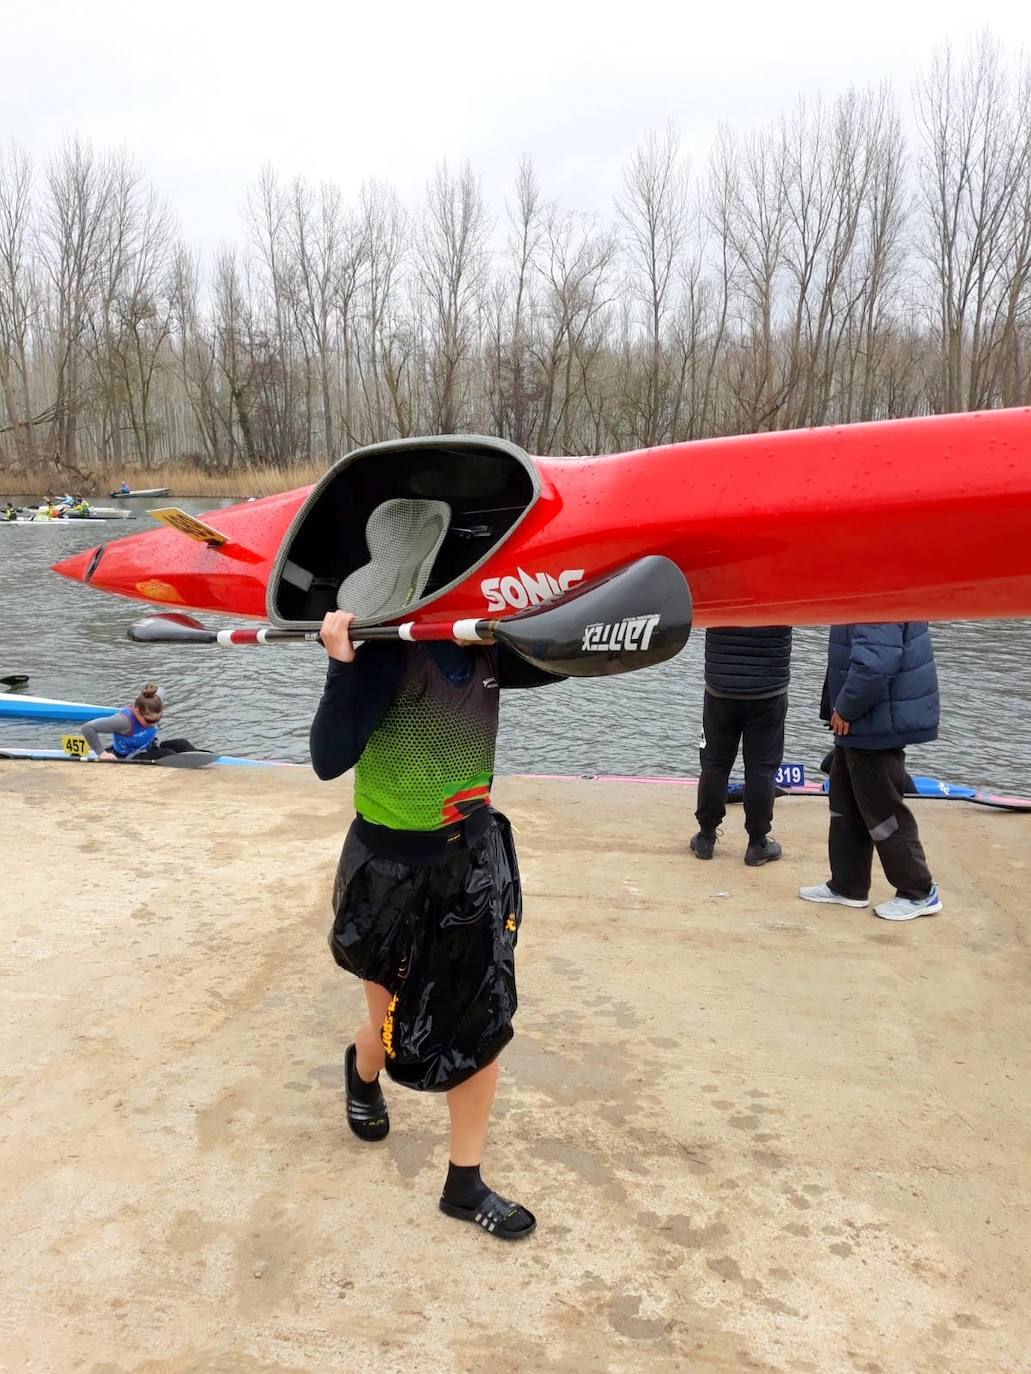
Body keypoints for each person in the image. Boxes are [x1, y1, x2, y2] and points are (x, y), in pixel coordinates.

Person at [310, 608, 561, 1242]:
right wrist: (341, 662)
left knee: (481, 1029)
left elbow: (559, 659)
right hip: (388, 872)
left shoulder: (486, 644)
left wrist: (601, 624)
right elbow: (327, 756)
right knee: (394, 1028)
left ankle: (463, 1183)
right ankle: (363, 1072)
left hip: (470, 866)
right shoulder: (385, 650)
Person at [799, 622, 942, 921]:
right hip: (861, 724)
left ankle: (918, 891)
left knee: (884, 814)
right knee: (845, 807)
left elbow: (876, 662)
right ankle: (847, 886)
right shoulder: (865, 591)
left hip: (875, 723)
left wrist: (847, 707)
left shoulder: (879, 595)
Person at [689, 626, 792, 866]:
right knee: (761, 769)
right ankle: (757, 843)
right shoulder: (782, 587)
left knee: (714, 764)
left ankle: (706, 837)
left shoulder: (722, 586)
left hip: (720, 687)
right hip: (768, 689)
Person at [80, 684, 200, 761]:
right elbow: (88, 728)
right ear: (137, 711)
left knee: (182, 743)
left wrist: (150, 694)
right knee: (168, 754)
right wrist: (101, 753)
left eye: (157, 719)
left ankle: (204, 757)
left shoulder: (154, 702)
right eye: (149, 720)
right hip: (127, 756)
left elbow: (161, 689)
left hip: (148, 749)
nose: (153, 724)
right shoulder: (123, 721)